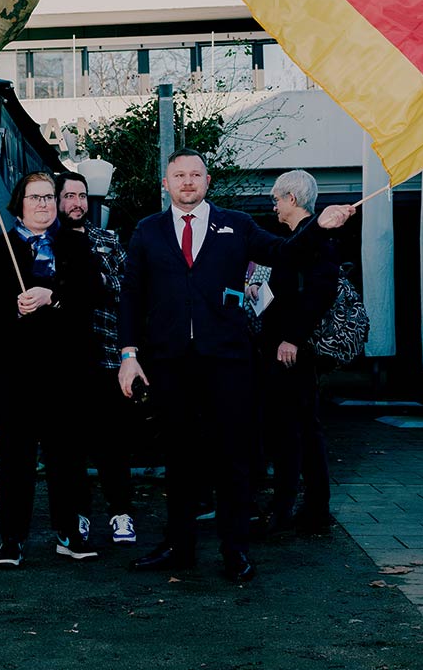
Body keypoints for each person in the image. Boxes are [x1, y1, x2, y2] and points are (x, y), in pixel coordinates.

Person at [117, 148, 354, 582]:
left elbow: (285, 254)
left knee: (233, 457)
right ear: (165, 185)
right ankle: (179, 545)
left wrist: (319, 227)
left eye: (196, 174)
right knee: (180, 456)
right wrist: (128, 355)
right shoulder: (147, 231)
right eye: (179, 175)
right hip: (169, 363)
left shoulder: (238, 225)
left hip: (227, 362)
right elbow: (131, 294)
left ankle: (235, 549)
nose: (187, 182)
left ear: (208, 182)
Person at [0, 172, 101, 568]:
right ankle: (12, 539)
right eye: (36, 198)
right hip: (15, 371)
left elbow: (94, 293)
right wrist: (13, 306)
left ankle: (69, 534)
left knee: (67, 455)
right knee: (15, 457)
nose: (44, 204)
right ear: (20, 203)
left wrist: (55, 296)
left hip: (66, 370)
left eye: (49, 197)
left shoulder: (76, 245)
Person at [254, 170, 339, 537]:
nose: (273, 206)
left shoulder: (314, 238)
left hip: (292, 351)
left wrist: (291, 338)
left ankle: (290, 508)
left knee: (293, 429)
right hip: (286, 348)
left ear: (291, 198)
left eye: (276, 199)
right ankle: (307, 508)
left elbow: (318, 294)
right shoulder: (296, 238)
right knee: (300, 427)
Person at [56, 171, 137, 545]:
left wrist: (95, 284)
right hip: (65, 360)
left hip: (106, 354)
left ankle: (121, 513)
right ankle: (80, 516)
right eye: (69, 195)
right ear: (56, 201)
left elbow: (127, 287)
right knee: (71, 444)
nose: (77, 203)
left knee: (113, 441)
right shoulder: (47, 243)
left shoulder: (106, 239)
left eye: (82, 196)